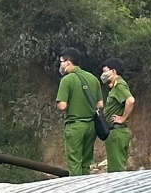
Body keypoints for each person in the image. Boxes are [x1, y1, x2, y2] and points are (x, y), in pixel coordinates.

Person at [55, 47, 103, 176]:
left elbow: (62, 106)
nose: (60, 65)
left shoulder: (67, 80)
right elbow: (100, 104)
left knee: (74, 163)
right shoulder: (93, 78)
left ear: (68, 62)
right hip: (91, 126)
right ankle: (86, 185)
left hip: (75, 126)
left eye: (61, 62)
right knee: (86, 162)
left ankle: (76, 187)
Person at [100, 58, 136, 173]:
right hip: (114, 132)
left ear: (113, 71)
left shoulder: (119, 85)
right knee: (116, 167)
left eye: (105, 71)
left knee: (116, 171)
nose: (103, 74)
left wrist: (122, 118)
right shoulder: (115, 86)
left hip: (117, 132)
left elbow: (130, 100)